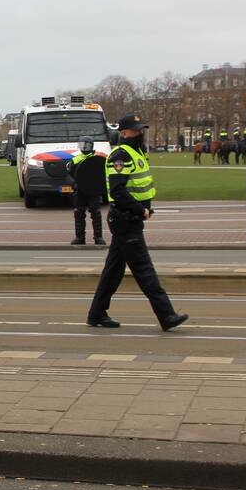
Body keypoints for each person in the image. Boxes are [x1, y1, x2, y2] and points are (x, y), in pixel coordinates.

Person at [87, 113, 188, 331]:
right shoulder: (121, 156)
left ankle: (96, 313)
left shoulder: (135, 153)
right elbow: (118, 190)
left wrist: (146, 207)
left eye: (141, 129)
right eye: (136, 130)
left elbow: (139, 187)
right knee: (144, 269)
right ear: (124, 133)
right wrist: (140, 209)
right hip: (126, 219)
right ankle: (166, 315)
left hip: (129, 218)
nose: (140, 132)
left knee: (113, 270)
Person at [66, 136, 105, 246]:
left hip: (94, 191)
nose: (84, 147)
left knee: (96, 213)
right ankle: (80, 238)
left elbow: (103, 174)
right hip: (80, 191)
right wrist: (73, 183)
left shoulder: (97, 159)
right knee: (78, 213)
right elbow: (68, 175)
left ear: (91, 146)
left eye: (86, 145)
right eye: (82, 144)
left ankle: (98, 237)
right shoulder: (75, 159)